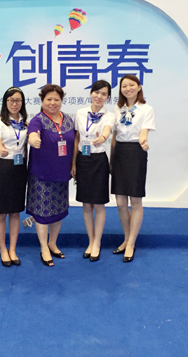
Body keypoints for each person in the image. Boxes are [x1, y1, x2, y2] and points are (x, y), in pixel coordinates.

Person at [27, 84, 74, 267]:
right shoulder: (38, 120)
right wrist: (33, 140)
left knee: (58, 211)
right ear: (42, 101)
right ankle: (43, 247)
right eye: (49, 99)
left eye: (56, 99)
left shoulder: (68, 120)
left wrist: (73, 165)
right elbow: (32, 134)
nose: (52, 103)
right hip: (42, 174)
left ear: (61, 101)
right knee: (42, 212)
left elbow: (74, 143)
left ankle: (52, 243)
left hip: (62, 173)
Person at [110, 74, 155, 263]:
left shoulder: (146, 109)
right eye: (124, 86)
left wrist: (143, 141)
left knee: (135, 200)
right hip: (119, 153)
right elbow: (114, 135)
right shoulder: (117, 109)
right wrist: (111, 158)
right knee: (120, 202)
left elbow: (144, 131)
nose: (127, 88)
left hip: (136, 152)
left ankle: (131, 243)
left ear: (139, 87)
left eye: (131, 85)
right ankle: (127, 238)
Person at [71, 80, 114, 262]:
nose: (99, 96)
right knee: (86, 204)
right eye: (97, 92)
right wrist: (73, 163)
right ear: (91, 93)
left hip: (99, 161)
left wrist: (102, 138)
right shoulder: (80, 113)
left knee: (99, 204)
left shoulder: (109, 115)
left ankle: (97, 242)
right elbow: (76, 138)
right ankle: (91, 240)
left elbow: (107, 131)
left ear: (107, 97)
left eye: (104, 94)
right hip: (83, 160)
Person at [0, 87, 29, 267]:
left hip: (19, 168)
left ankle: (12, 249)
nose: (15, 103)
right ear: (5, 102)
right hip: (2, 167)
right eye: (11, 100)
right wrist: (0, 148)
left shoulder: (25, 123)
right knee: (1, 211)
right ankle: (3, 249)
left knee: (15, 211)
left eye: (18, 100)